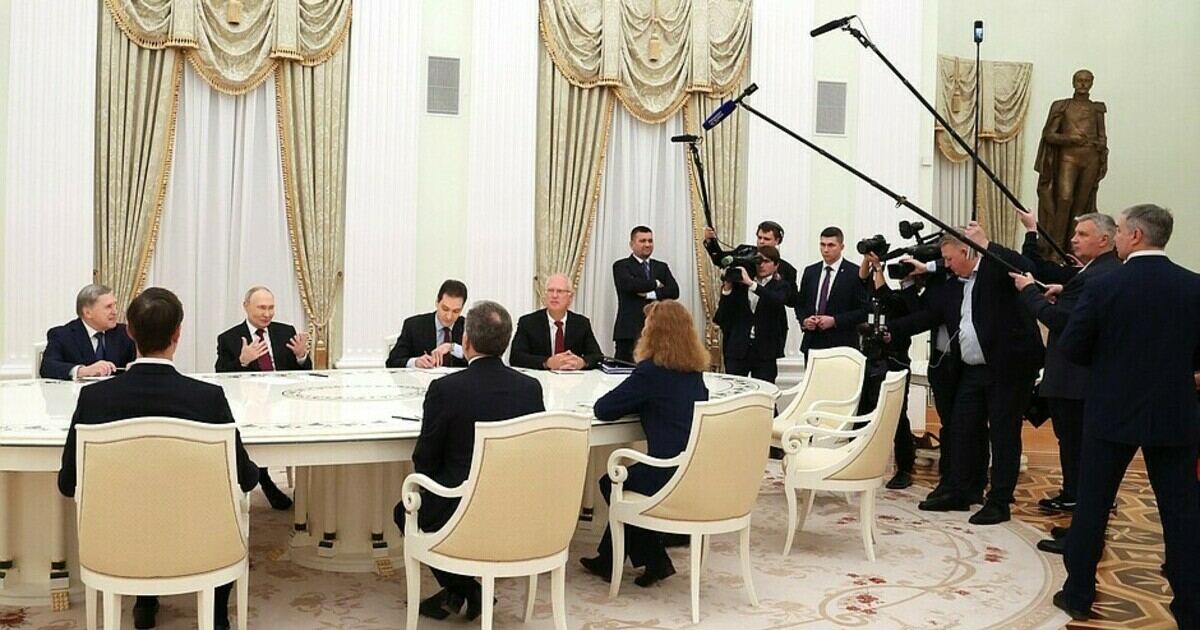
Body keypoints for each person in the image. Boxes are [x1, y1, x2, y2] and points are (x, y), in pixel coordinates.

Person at [58, 288, 259, 630]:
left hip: (118, 541)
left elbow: (68, 483)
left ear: (130, 332)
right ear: (178, 334)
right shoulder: (207, 398)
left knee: (140, 509)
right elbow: (246, 477)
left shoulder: (94, 399)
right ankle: (216, 615)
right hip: (196, 537)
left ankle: (145, 602)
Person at [1053, 205, 1200, 626]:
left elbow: (1073, 346)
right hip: (1175, 413)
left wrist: (1110, 363)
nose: (1115, 237)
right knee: (1182, 512)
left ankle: (1078, 594)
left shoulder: (1103, 285)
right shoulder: (1194, 286)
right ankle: (1190, 607)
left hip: (1110, 410)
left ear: (1135, 235)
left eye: (1118, 230)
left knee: (1093, 504)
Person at [395, 300, 545, 620]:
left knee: (404, 510)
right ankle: (465, 592)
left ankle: (468, 590)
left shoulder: (446, 389)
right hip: (515, 507)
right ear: (506, 342)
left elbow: (424, 460)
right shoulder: (530, 388)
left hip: (459, 506)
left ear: (466, 342)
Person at [889, 222, 1043, 525]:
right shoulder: (958, 280)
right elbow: (929, 309)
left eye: (949, 259)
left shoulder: (994, 270)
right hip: (973, 369)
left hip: (1007, 369)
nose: (946, 265)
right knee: (961, 427)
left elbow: (1026, 266)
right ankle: (962, 490)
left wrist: (987, 244)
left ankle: (999, 501)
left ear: (966, 251)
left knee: (1003, 434)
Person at [580, 300, 709, 587]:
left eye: (647, 326)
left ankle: (655, 560)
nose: (642, 331)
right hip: (693, 469)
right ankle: (609, 559)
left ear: (655, 333)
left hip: (666, 470)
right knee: (624, 484)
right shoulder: (693, 372)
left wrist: (640, 401)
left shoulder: (651, 372)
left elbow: (604, 409)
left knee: (611, 482)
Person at [1011, 212, 1120, 547]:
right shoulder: (1096, 271)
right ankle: (1078, 517)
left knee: (1081, 455)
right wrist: (1062, 291)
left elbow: (1061, 321)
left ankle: (1082, 536)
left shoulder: (1097, 275)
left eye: (1083, 234)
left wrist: (1029, 292)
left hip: (1076, 382)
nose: (1074, 239)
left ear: (1104, 239)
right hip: (1076, 381)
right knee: (1075, 452)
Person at [215, 286, 310, 510]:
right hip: (249, 405)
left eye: (271, 308)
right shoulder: (229, 338)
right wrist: (243, 361)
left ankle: (301, 490)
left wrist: (301, 356)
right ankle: (264, 477)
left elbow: (305, 373)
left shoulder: (285, 332)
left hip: (284, 404)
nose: (267, 314)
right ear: (246, 306)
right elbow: (221, 375)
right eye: (261, 308)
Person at [858, 252, 921, 489]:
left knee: (897, 416)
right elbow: (864, 282)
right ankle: (859, 460)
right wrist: (869, 262)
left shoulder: (906, 300)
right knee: (864, 409)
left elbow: (886, 294)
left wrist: (878, 269)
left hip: (895, 362)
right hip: (871, 358)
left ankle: (905, 467)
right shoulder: (876, 298)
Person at [1034, 69, 1108, 254]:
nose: (1082, 84)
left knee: (1081, 206)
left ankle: (1073, 250)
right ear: (1073, 82)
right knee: (1064, 200)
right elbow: (1049, 134)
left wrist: (1101, 150)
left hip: (1090, 159)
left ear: (1092, 83)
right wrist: (1070, 139)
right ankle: (1056, 249)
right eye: (1079, 80)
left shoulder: (1097, 108)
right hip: (1068, 158)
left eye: (1086, 80)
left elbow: (1102, 136)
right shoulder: (1062, 106)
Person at [713, 245, 795, 383]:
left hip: (765, 351)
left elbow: (777, 300)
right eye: (758, 261)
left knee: (765, 391)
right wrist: (727, 288)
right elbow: (724, 313)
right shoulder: (741, 284)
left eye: (767, 261)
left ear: (776, 265)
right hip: (738, 348)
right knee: (735, 389)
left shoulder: (781, 286)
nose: (761, 265)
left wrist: (751, 284)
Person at [796, 226, 869, 356]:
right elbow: (800, 303)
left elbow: (863, 311)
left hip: (842, 343)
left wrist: (835, 320)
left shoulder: (854, 273)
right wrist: (804, 321)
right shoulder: (811, 272)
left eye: (831, 245)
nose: (826, 250)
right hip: (813, 342)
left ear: (841, 247)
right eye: (822, 245)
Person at [40, 283, 136, 380]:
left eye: (115, 305)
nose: (115, 312)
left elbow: (137, 360)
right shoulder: (63, 335)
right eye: (108, 307)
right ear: (88, 313)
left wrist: (135, 366)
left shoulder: (125, 332)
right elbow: (47, 367)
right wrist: (83, 371)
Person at [612, 226, 680, 362]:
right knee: (626, 370)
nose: (647, 244)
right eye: (642, 241)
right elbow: (630, 285)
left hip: (658, 331)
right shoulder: (621, 266)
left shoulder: (661, 267)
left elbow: (674, 291)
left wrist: (650, 294)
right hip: (630, 332)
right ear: (631, 244)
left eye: (650, 241)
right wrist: (656, 283)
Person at [510, 273, 604, 370]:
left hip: (573, 377)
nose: (554, 295)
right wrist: (547, 362)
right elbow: (516, 357)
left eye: (560, 291)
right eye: (550, 291)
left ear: (570, 298)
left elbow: (597, 357)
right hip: (539, 378)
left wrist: (582, 362)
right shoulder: (528, 323)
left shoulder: (581, 324)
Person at [385, 280, 469, 369]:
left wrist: (452, 348)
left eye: (456, 311)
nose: (449, 316)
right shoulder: (414, 326)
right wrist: (415, 362)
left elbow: (478, 359)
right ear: (437, 302)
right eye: (445, 309)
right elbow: (392, 361)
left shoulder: (469, 327)